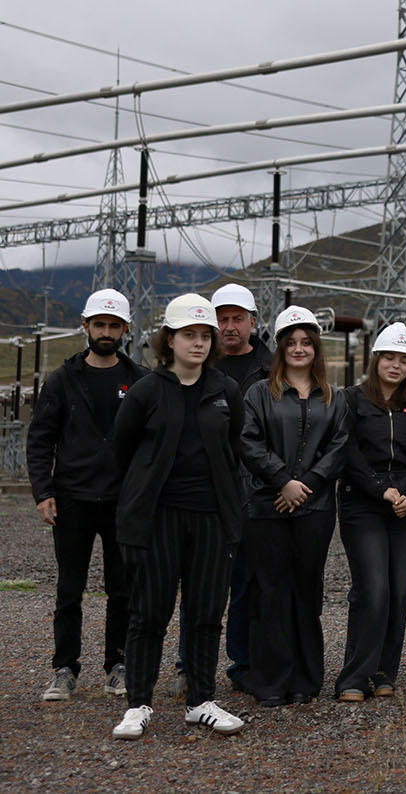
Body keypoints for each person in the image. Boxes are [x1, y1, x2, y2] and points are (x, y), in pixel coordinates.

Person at [109, 294, 245, 739]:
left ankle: (201, 701)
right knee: (149, 612)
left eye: (206, 335)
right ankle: (138, 704)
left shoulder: (224, 390)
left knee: (206, 612)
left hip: (211, 518)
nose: (200, 343)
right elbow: (122, 451)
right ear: (169, 339)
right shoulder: (147, 391)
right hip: (158, 519)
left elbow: (237, 448)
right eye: (190, 334)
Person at [27, 289, 145, 702]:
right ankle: (64, 669)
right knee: (69, 589)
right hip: (72, 499)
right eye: (100, 325)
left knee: (123, 589)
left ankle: (118, 665)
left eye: (114, 325)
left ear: (126, 329)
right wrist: (44, 491)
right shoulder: (62, 380)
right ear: (86, 326)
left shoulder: (141, 380)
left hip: (123, 502)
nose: (107, 332)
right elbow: (40, 439)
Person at [239, 306, 351, 707]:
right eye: (291, 343)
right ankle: (269, 682)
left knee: (306, 591)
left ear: (316, 348)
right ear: (280, 348)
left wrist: (306, 485)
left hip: (315, 509)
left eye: (306, 342)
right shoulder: (258, 393)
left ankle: (305, 679)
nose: (299, 349)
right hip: (267, 508)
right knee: (270, 592)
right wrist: (282, 481)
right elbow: (249, 443)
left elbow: (339, 446)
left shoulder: (333, 397)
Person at [334, 323, 406, 702]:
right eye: (389, 357)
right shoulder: (352, 400)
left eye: (404, 360)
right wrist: (381, 490)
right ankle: (353, 678)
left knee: (398, 591)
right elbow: (346, 453)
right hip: (363, 503)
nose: (396, 365)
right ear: (376, 360)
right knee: (372, 590)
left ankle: (383, 672)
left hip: (405, 507)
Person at [206, 282, 272, 694]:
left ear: (253, 321)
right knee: (204, 581)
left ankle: (243, 664)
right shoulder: (196, 362)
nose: (229, 326)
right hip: (205, 488)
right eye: (222, 319)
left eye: (237, 319)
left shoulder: (271, 367)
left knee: (249, 579)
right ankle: (189, 663)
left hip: (254, 490)